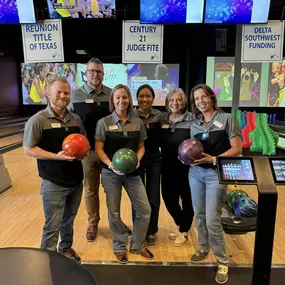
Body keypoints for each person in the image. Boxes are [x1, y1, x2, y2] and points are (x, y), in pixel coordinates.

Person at [23, 77, 86, 262]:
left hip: (75, 180)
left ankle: (65, 248)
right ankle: (48, 259)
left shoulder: (75, 119)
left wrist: (84, 151)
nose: (62, 96)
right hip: (53, 182)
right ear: (48, 93)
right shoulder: (38, 120)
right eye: (58, 92)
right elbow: (28, 149)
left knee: (69, 220)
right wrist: (55, 156)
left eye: (66, 93)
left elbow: (83, 141)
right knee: (52, 225)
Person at [71, 57, 131, 242]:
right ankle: (93, 223)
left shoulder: (111, 94)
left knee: (113, 189)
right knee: (91, 189)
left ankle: (116, 221)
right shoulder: (76, 96)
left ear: (103, 74)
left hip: (110, 152)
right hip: (87, 152)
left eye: (99, 72)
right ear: (85, 73)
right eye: (91, 71)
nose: (95, 74)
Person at [188, 84, 242, 284]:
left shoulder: (227, 119)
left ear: (211, 97)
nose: (200, 101)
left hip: (216, 174)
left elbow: (236, 149)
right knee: (199, 215)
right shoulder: (195, 124)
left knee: (212, 218)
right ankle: (203, 247)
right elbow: (192, 149)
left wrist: (213, 159)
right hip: (195, 173)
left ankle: (222, 260)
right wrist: (185, 158)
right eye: (196, 99)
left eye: (203, 97)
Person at [95, 84, 153, 264]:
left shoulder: (138, 122)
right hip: (111, 173)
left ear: (129, 100)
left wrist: (137, 159)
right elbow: (99, 149)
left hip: (133, 173)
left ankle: (137, 244)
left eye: (125, 97)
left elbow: (142, 146)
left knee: (144, 209)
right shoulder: (104, 122)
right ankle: (119, 246)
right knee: (114, 212)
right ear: (113, 100)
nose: (122, 101)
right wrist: (111, 165)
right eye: (118, 97)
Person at [160, 88, 194, 246]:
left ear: (184, 102)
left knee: (187, 199)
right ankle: (182, 224)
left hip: (186, 167)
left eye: (179, 100)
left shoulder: (192, 120)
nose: (175, 103)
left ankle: (184, 229)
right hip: (166, 165)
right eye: (172, 100)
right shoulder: (163, 119)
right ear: (167, 102)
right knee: (168, 198)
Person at [133, 84, 161, 245]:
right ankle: (139, 229)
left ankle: (152, 230)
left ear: (152, 98)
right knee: (138, 197)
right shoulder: (131, 115)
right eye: (142, 96)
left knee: (153, 196)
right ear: (137, 98)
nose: (145, 99)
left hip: (155, 159)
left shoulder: (159, 115)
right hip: (136, 158)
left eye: (148, 96)